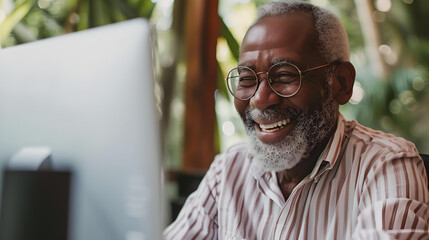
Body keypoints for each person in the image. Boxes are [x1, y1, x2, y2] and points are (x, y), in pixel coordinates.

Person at [164, 1, 429, 239]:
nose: (260, 99)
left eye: (285, 76)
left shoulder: (386, 165)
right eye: (246, 79)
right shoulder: (228, 171)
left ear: (341, 83)